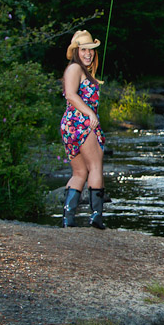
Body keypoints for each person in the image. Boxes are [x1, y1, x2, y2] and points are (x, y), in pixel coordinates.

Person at [60, 30, 106, 229]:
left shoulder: (81, 70)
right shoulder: (74, 69)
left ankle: (68, 218)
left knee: (79, 172)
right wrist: (91, 114)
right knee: (95, 166)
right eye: (84, 50)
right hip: (81, 122)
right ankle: (96, 217)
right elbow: (70, 95)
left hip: (72, 124)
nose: (88, 54)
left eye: (91, 50)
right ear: (76, 51)